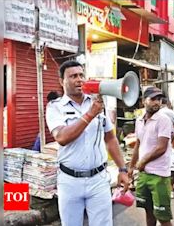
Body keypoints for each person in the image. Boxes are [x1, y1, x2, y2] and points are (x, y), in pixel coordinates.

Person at [45, 60, 129, 226]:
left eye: (81, 75)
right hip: (69, 181)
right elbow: (62, 137)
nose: (79, 79)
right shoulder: (55, 107)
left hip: (98, 179)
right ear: (62, 81)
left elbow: (110, 138)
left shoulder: (95, 103)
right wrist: (90, 114)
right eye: (73, 76)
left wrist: (123, 169)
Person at [128, 86, 173, 226]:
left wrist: (142, 162)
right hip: (144, 174)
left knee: (163, 216)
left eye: (159, 99)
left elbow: (161, 147)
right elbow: (138, 144)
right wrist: (131, 166)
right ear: (143, 101)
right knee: (148, 211)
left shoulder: (163, 120)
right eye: (153, 99)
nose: (157, 102)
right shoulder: (139, 120)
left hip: (159, 175)